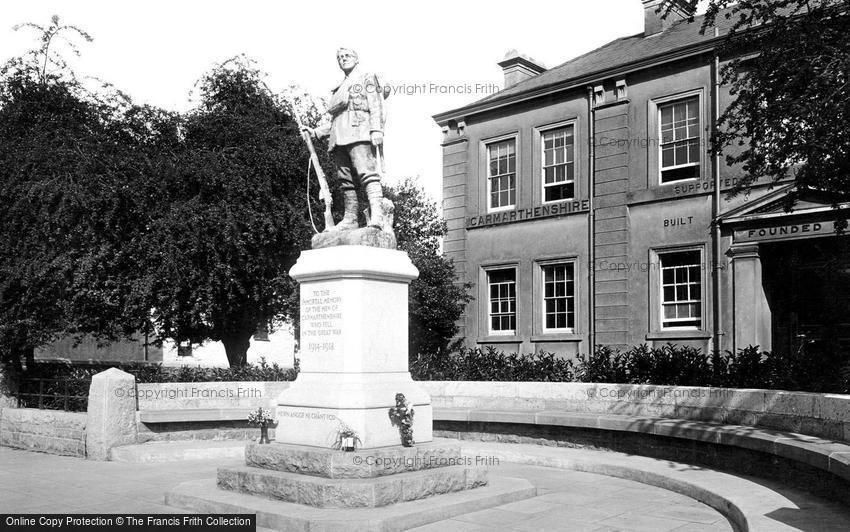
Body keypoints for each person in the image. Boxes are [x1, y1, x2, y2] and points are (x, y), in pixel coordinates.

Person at [302, 48, 389, 232]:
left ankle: (377, 215)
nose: (343, 59)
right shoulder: (339, 87)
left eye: (347, 56)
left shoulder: (367, 78)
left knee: (367, 174)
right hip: (338, 137)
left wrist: (376, 129)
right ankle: (350, 218)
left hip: (360, 131)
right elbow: (337, 119)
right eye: (340, 58)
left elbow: (376, 104)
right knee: (345, 180)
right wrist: (317, 131)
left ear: (356, 59)